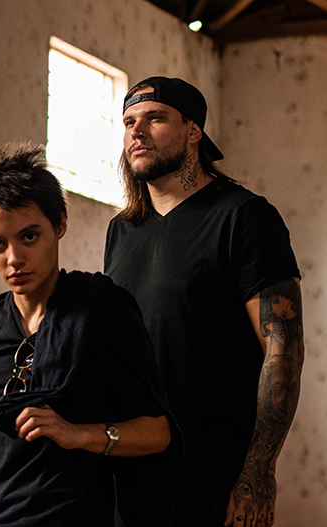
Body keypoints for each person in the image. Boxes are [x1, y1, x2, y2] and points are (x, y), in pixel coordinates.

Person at [104, 76, 304, 527]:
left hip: (212, 477)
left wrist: (258, 470)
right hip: (129, 472)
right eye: (129, 122)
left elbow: (284, 349)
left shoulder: (243, 217)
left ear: (193, 131)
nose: (137, 132)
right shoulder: (122, 230)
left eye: (155, 118)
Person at [0, 144, 181, 527]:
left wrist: (78, 434)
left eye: (29, 237)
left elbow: (157, 433)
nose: (13, 258)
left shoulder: (102, 310)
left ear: (60, 224)